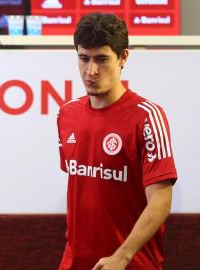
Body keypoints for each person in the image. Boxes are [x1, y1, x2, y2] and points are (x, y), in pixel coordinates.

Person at [56, 13, 177, 270]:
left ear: (123, 58)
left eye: (102, 59)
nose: (91, 71)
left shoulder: (147, 116)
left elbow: (161, 200)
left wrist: (122, 256)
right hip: (75, 262)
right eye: (84, 58)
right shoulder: (67, 114)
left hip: (130, 263)